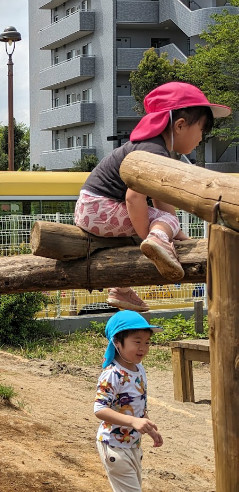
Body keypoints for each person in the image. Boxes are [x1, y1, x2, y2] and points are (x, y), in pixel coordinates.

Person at [74, 82, 231, 311]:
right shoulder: (153, 152)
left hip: (92, 208)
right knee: (160, 224)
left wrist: (177, 235)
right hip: (101, 207)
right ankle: (157, 241)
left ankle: (121, 288)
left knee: (161, 222)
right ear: (179, 126)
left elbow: (160, 199)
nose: (201, 138)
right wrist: (151, 236)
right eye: (201, 130)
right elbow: (134, 198)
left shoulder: (148, 147)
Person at [94, 310, 164, 492]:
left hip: (133, 444)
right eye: (137, 342)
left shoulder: (139, 369)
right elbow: (99, 409)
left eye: (147, 342)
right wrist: (134, 421)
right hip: (113, 445)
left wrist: (148, 428)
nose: (143, 348)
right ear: (117, 342)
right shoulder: (112, 374)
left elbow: (138, 403)